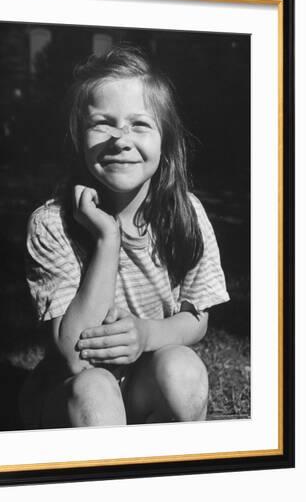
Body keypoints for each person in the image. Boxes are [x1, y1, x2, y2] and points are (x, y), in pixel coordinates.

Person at [19, 44, 230, 429]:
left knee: (183, 368)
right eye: (103, 123)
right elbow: (74, 357)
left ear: (165, 140)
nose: (121, 139)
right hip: (77, 398)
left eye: (140, 124)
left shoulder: (186, 214)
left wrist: (147, 333)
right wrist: (106, 240)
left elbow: (196, 317)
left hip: (144, 385)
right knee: (95, 389)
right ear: (77, 137)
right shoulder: (52, 223)